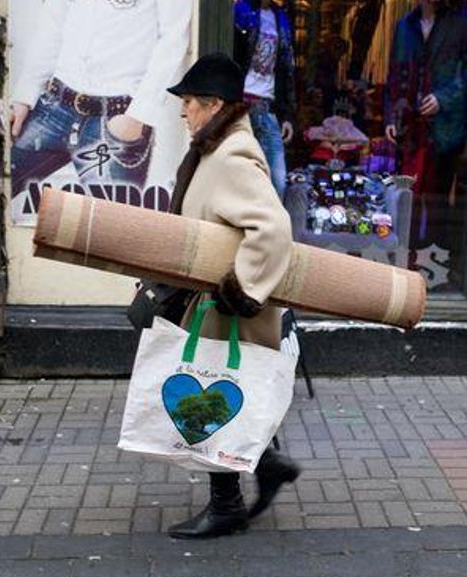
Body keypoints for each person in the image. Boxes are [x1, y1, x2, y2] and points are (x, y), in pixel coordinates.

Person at [163, 53, 302, 539]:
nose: (183, 112)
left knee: (207, 404)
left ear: (213, 104)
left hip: (227, 313)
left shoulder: (231, 156)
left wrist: (237, 292)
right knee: (218, 397)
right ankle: (267, 464)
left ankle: (226, 506)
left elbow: (273, 228)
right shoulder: (214, 150)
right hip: (212, 308)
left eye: (188, 103)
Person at [9, 0, 192, 210]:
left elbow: (173, 37)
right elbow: (53, 23)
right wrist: (25, 95)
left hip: (115, 117)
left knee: (107, 230)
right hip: (55, 105)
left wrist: (139, 115)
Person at [384, 0, 467, 272]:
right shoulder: (405, 26)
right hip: (410, 129)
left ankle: (436, 266)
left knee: (436, 200)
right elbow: (394, 74)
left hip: (445, 129)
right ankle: (405, 260)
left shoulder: (461, 26)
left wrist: (443, 99)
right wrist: (391, 115)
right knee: (406, 197)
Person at [233, 0, 297, 199]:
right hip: (240, 104)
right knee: (238, 175)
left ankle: (269, 227)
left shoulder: (282, 19)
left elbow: (286, 70)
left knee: (277, 178)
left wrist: (287, 115)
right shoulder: (242, 10)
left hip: (267, 106)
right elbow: (232, 56)